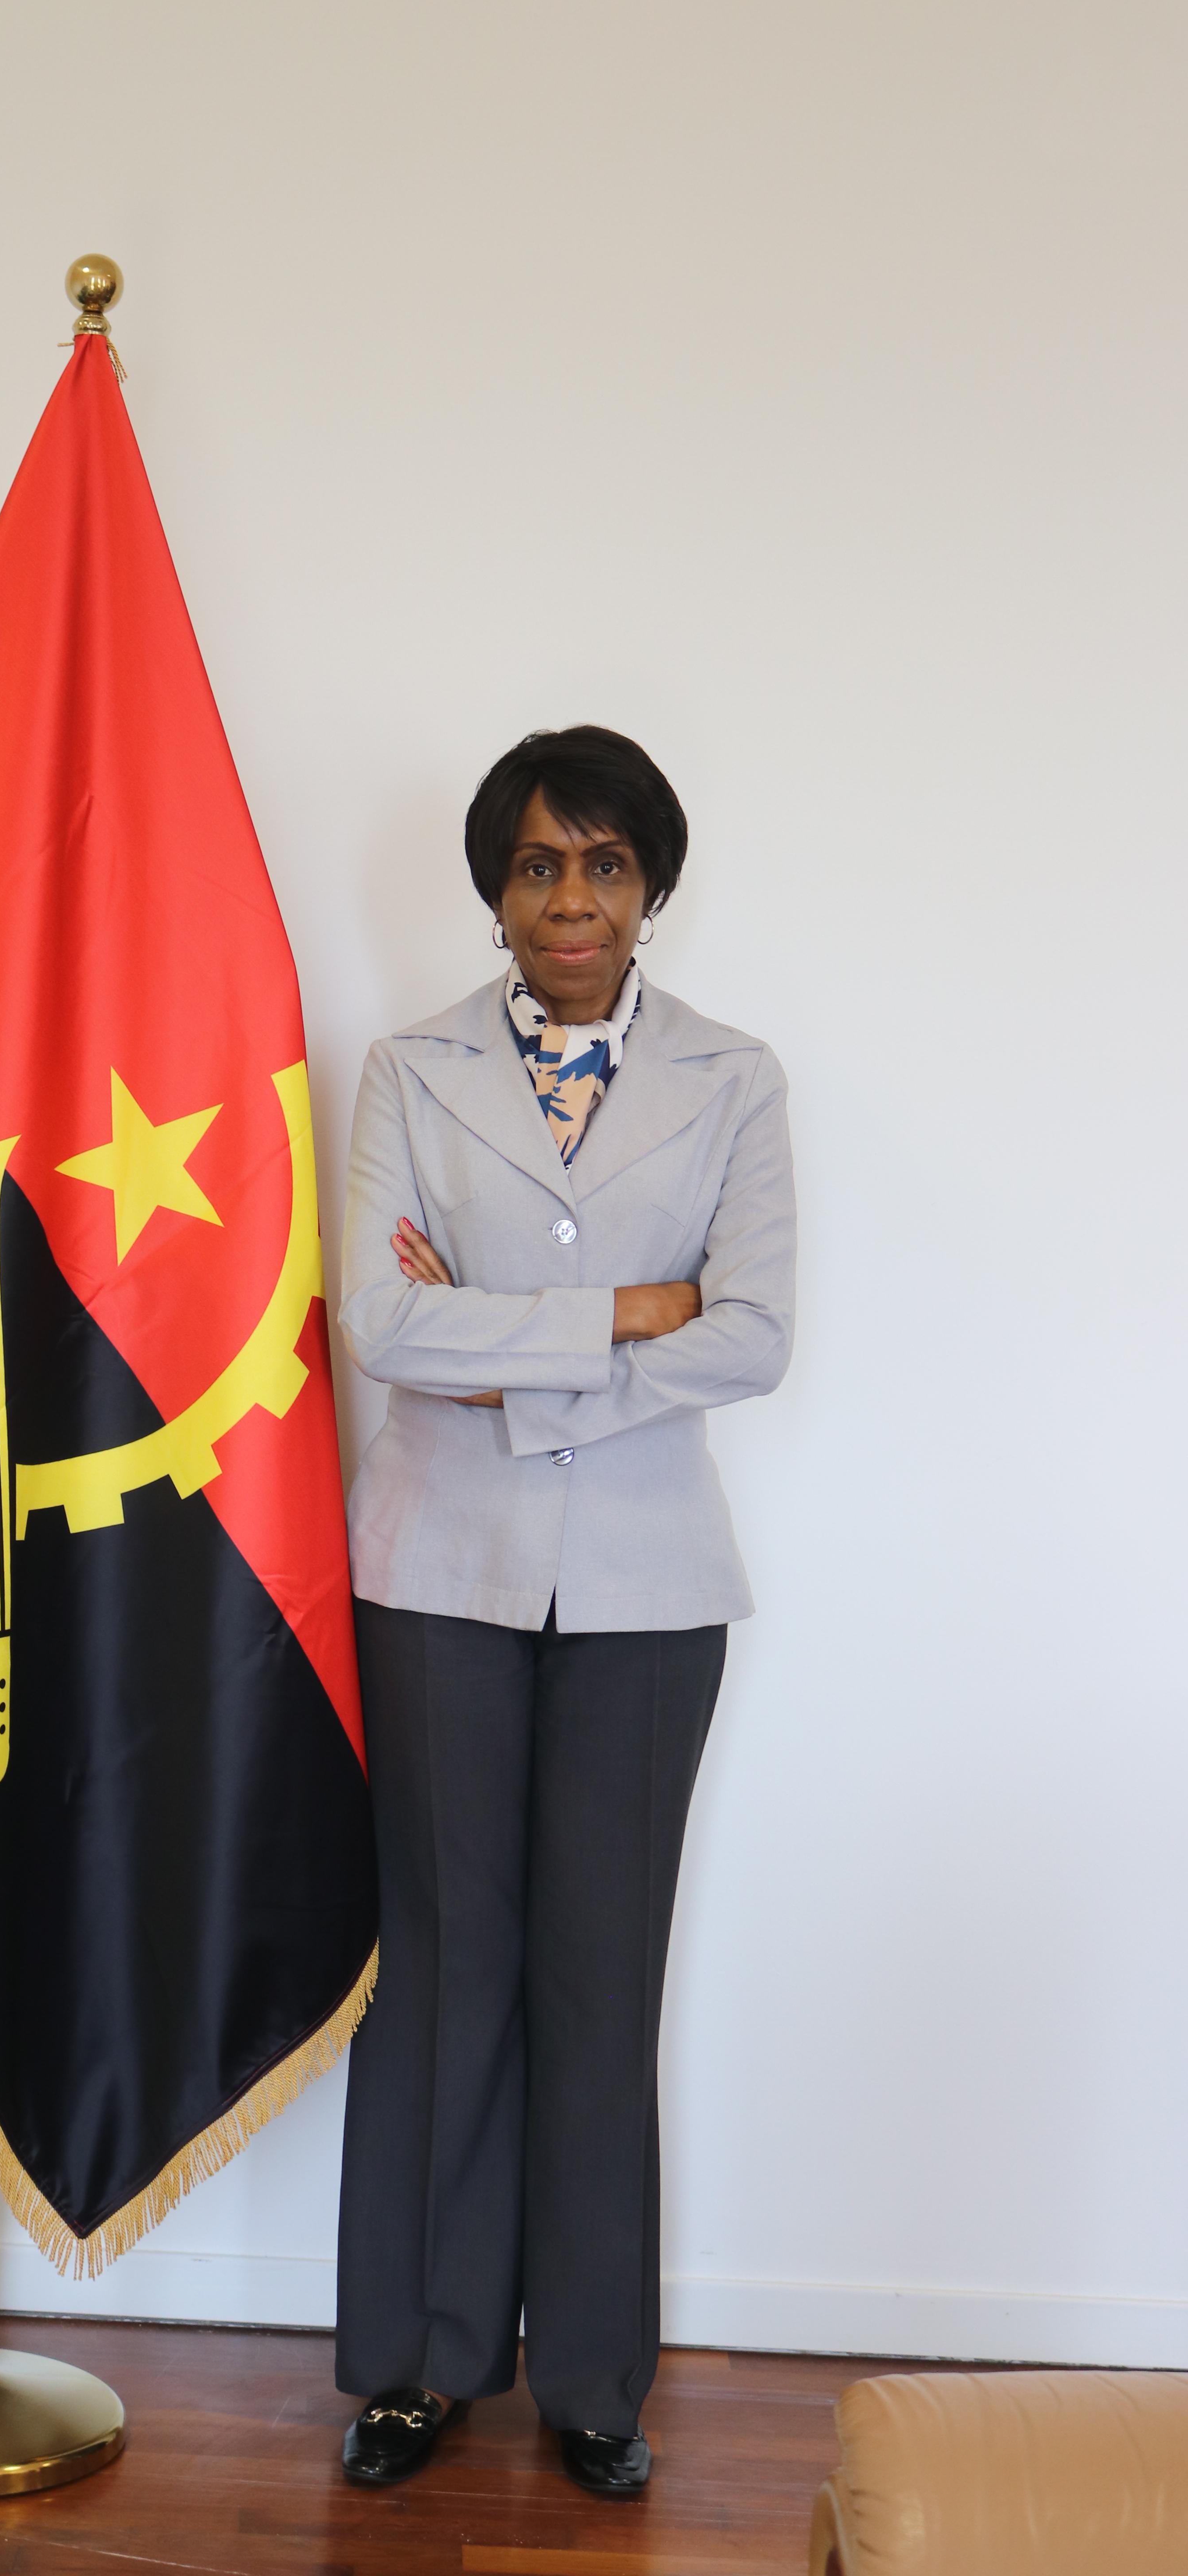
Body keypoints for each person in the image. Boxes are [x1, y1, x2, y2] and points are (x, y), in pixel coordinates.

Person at [332, 725, 795, 2499]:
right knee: (447, 1965)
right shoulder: (407, 1072)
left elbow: (753, 1336)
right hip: (434, 1570)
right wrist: (626, 1314)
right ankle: (417, 2361)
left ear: (649, 887)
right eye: (539, 865)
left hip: (648, 1589)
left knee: (604, 1979)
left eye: (604, 864)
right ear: (497, 891)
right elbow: (386, 1329)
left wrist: (510, 1356)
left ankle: (593, 2380)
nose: (572, 899)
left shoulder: (735, 1080)